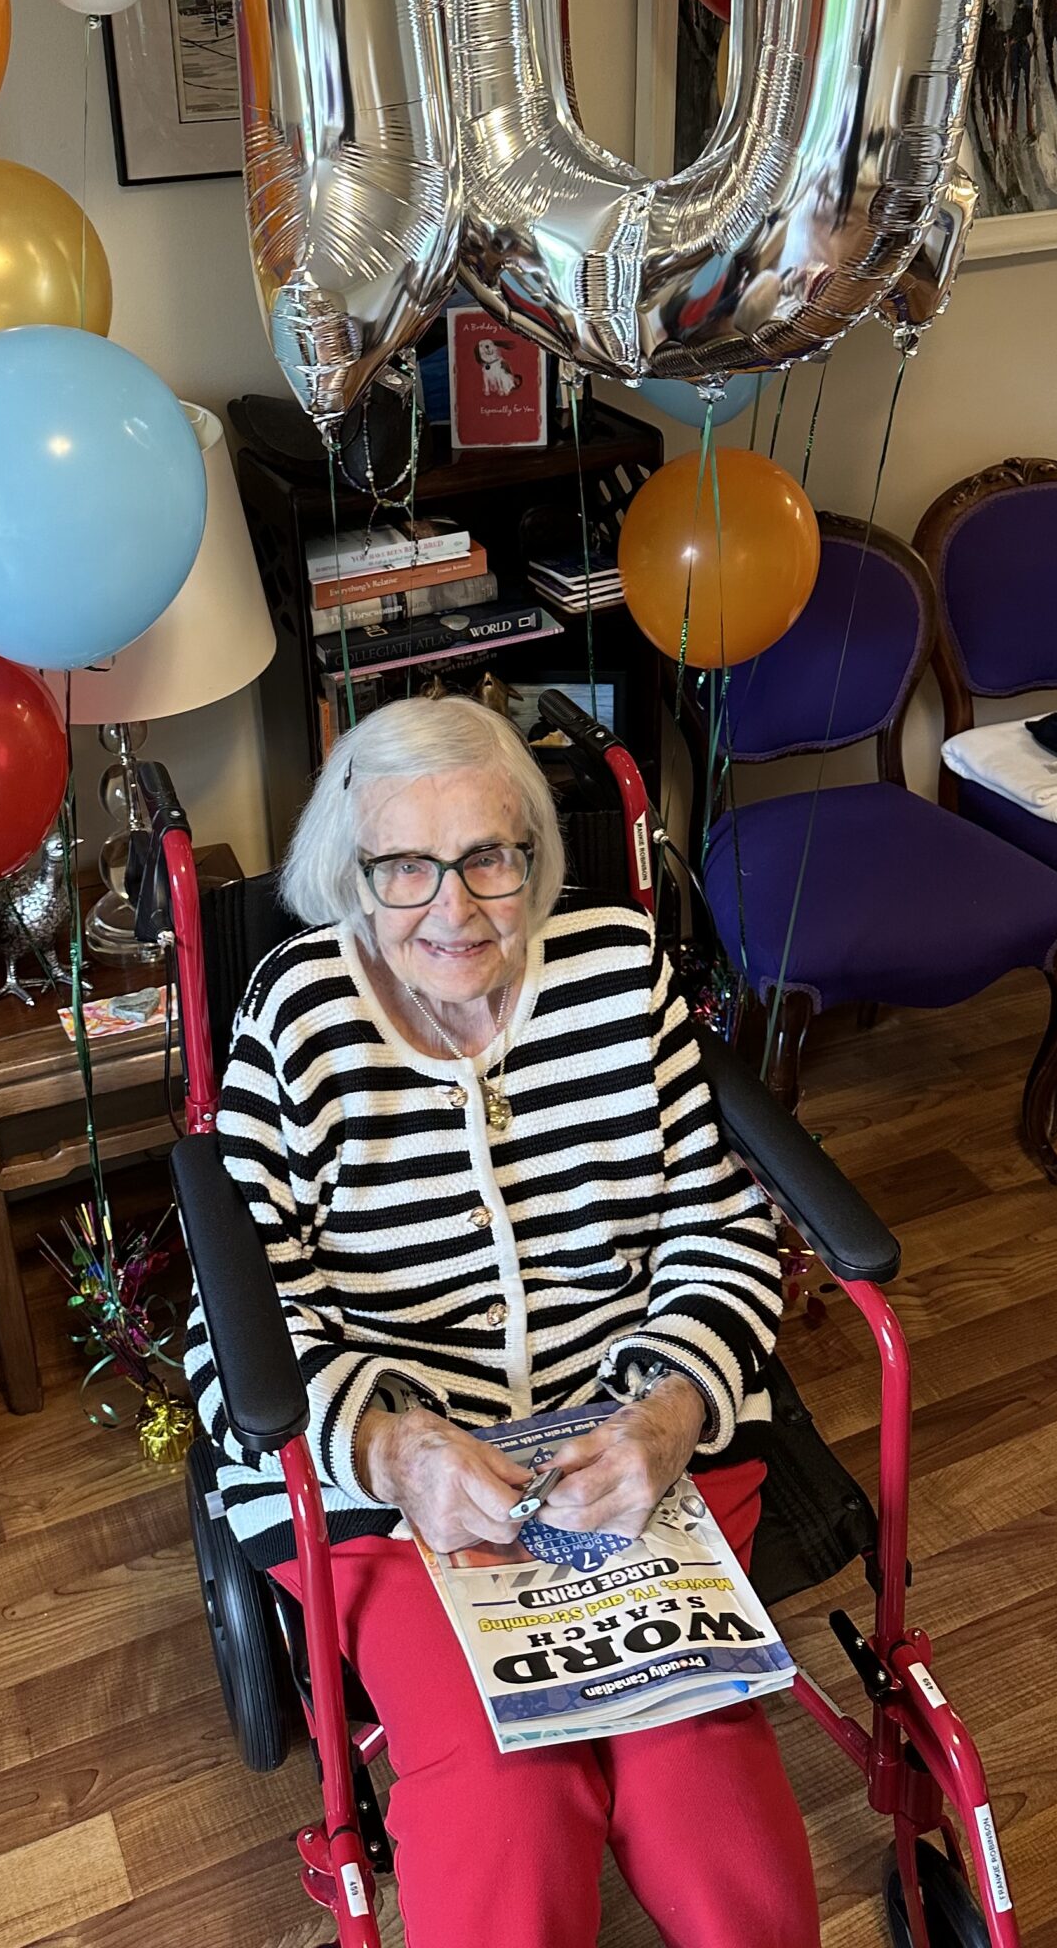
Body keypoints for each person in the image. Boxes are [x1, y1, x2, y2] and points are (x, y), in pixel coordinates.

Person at [184, 695, 818, 1948]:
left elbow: (718, 1229)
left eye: (488, 856)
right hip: (399, 1492)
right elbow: (240, 1322)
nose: (454, 907)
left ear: (535, 851)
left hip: (636, 1442)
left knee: (695, 1767)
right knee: (501, 1785)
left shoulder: (618, 972)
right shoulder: (299, 1018)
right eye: (405, 867)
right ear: (353, 869)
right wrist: (394, 1450)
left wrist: (667, 1414)